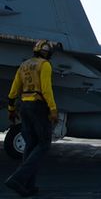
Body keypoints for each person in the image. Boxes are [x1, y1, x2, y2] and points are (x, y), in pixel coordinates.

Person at [5, 40, 58, 197]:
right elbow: (47, 89)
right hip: (38, 107)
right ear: (47, 52)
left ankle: (28, 185)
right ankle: (17, 178)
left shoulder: (24, 65)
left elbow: (14, 89)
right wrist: (53, 109)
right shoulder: (44, 65)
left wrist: (11, 109)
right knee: (43, 144)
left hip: (24, 107)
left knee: (31, 144)